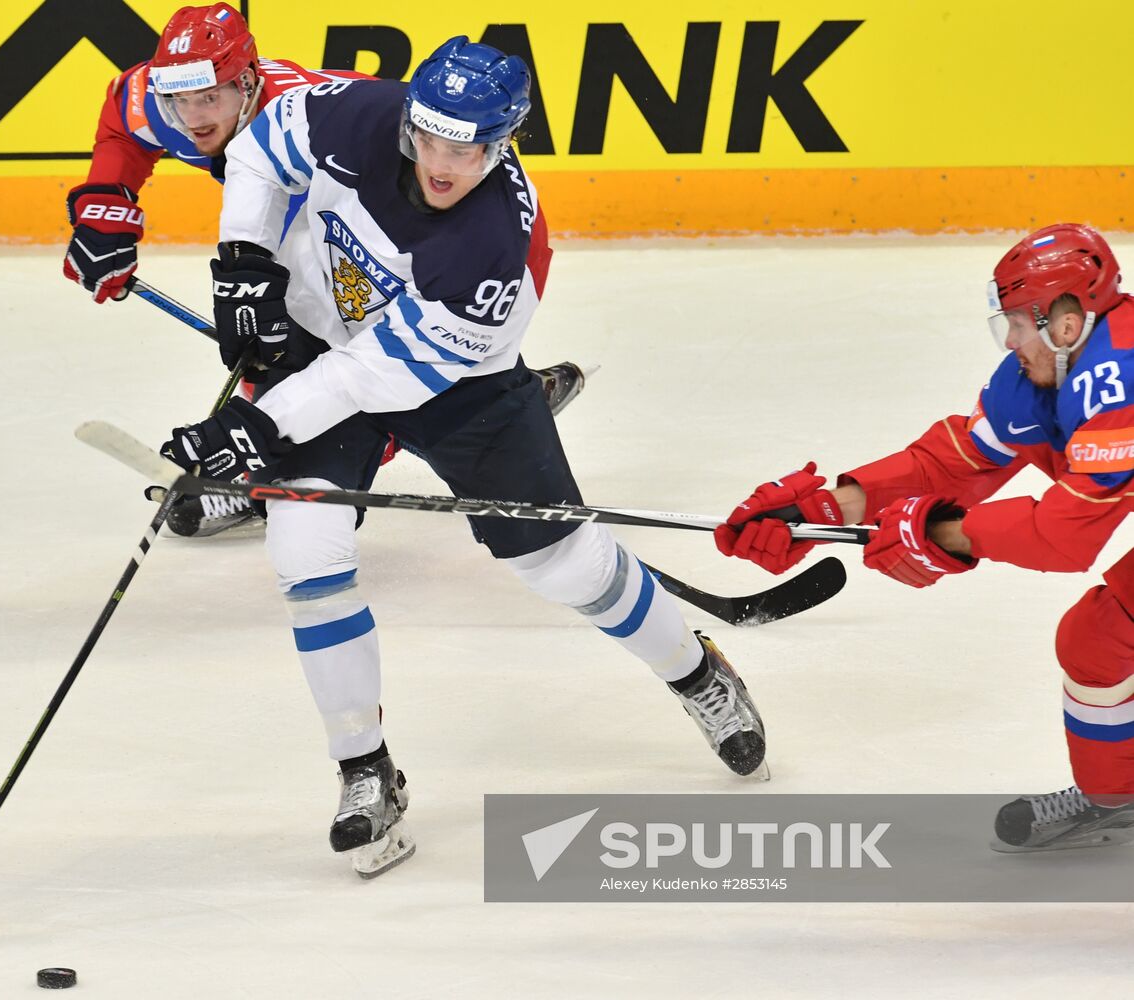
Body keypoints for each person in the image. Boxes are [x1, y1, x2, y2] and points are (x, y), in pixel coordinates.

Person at [158, 37, 769, 878]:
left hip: (456, 385)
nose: (444, 165)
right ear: (411, 120)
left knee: (564, 563)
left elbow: (382, 373)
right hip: (324, 345)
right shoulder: (358, 112)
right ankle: (366, 770)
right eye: (431, 141)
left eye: (467, 149)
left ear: (503, 141)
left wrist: (262, 428)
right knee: (305, 552)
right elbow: (260, 152)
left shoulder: (489, 244)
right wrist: (245, 262)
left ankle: (695, 670)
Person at [61, 4, 592, 538]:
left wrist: (260, 427)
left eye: (210, 99)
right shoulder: (170, 96)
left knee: (341, 349)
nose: (193, 118)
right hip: (367, 232)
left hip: (476, 248)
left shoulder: (312, 131)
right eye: (179, 102)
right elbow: (120, 121)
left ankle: (475, 405)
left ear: (248, 83)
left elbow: (348, 351)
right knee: (277, 324)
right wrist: (105, 209)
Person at [714, 222, 1134, 853]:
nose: (1011, 341)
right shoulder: (1048, 375)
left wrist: (938, 533)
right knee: (1098, 638)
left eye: (1019, 323)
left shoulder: (1118, 381)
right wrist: (827, 508)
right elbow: (956, 462)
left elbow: (1062, 538)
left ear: (1065, 324)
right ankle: (1116, 798)